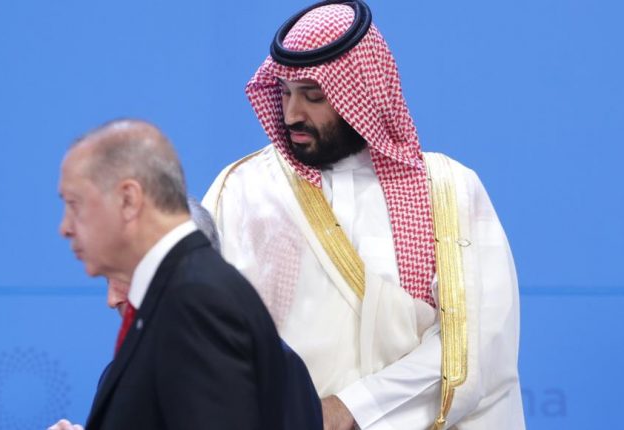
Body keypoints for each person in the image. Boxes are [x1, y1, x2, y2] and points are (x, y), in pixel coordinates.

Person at [202, 1, 524, 429]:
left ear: (362, 95)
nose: (292, 114)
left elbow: (477, 341)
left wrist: (351, 407)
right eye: (284, 92)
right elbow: (206, 332)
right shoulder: (242, 190)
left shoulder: (448, 191)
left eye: (313, 95)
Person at [54, 119, 287, 430]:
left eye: (75, 205)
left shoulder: (197, 303)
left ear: (128, 200)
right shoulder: (177, 295)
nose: (65, 227)